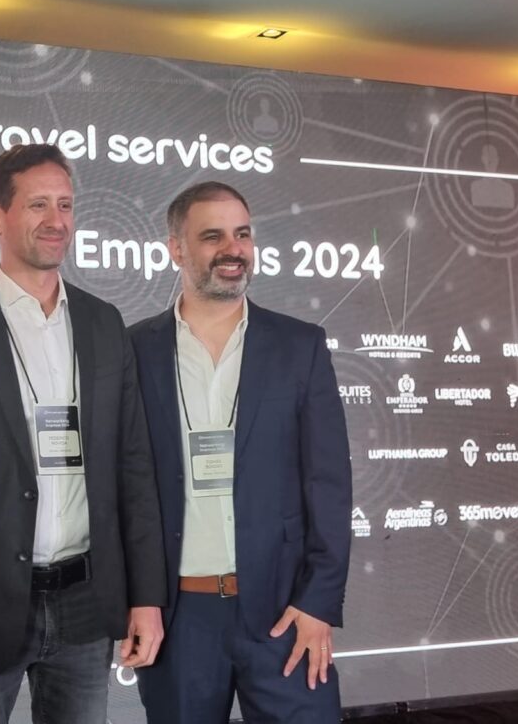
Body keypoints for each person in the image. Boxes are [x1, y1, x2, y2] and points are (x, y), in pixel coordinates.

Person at [0, 143, 166, 724]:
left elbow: (134, 467)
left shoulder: (103, 322)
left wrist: (146, 597)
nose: (57, 220)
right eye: (38, 204)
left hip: (86, 604)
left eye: (65, 204)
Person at [129, 181, 352, 723]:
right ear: (176, 249)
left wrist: (318, 603)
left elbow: (328, 484)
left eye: (243, 234)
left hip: (284, 615)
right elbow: (124, 489)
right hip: (179, 620)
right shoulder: (132, 350)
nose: (233, 250)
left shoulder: (300, 346)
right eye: (213, 236)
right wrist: (138, 600)